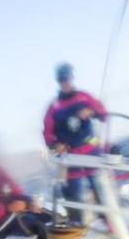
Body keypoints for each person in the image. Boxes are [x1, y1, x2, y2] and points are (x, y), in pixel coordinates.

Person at [42, 62, 107, 226]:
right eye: (61, 79)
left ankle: (109, 225)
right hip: (70, 158)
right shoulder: (53, 108)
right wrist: (54, 145)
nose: (65, 82)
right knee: (73, 196)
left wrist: (91, 111)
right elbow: (47, 132)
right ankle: (78, 230)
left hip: (92, 152)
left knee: (100, 189)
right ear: (58, 80)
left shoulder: (84, 97)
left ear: (71, 78)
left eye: (67, 78)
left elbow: (103, 114)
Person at [0, 135, 51, 239]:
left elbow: (14, 190)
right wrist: (6, 208)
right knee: (34, 224)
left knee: (49, 218)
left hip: (9, 216)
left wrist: (29, 202)